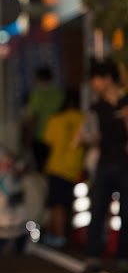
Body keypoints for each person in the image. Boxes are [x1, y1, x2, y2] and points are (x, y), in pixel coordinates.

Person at [83, 60, 128, 273]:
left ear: (107, 78)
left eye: (96, 79)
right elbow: (91, 136)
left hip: (124, 163)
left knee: (126, 212)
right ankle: (93, 257)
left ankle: (123, 258)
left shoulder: (125, 101)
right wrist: (88, 137)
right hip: (104, 163)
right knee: (97, 208)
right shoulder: (96, 107)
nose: (94, 84)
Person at [42, 90, 84, 248]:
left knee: (56, 204)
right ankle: (61, 234)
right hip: (74, 169)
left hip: (56, 166)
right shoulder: (83, 119)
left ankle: (58, 236)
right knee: (68, 203)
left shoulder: (56, 119)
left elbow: (48, 142)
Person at [24, 66, 64, 172]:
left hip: (41, 137)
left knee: (41, 169)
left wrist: (28, 139)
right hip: (58, 138)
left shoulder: (37, 95)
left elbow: (33, 119)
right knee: (55, 168)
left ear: (39, 78)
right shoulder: (59, 94)